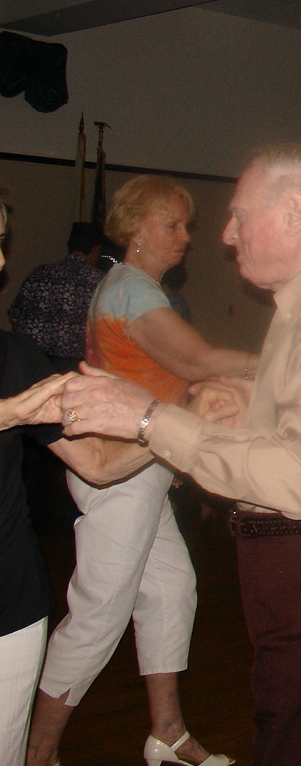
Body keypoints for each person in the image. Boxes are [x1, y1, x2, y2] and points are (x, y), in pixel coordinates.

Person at [54, 146, 301, 766]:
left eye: (239, 216)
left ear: (294, 213)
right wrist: (252, 414)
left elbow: (296, 478)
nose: (227, 236)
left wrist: (148, 419)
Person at [27, 177, 252, 766]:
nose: (185, 237)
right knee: (98, 615)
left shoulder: (137, 288)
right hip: (117, 472)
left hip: (139, 472)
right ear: (135, 229)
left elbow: (170, 378)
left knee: (171, 589)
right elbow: (198, 361)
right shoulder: (131, 288)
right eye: (171, 224)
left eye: (186, 226)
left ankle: (167, 735)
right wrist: (288, 361)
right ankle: (35, 753)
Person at [0, 194, 73, 766]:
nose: (1, 262)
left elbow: (96, 462)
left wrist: (164, 428)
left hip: (11, 605)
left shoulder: (15, 355)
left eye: (1, 243)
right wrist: (7, 414)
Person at [7, 221, 104, 370]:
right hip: (74, 368)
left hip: (31, 363)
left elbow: (15, 317)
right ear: (96, 249)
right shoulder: (99, 281)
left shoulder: (39, 273)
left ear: (69, 245)